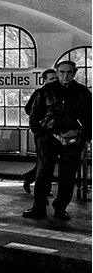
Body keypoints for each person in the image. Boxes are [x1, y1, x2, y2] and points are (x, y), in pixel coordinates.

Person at [23, 60, 91, 221]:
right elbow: (34, 113)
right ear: (57, 72)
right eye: (61, 72)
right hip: (47, 138)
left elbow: (89, 117)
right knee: (43, 173)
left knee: (67, 175)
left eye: (68, 72)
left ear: (74, 73)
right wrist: (39, 133)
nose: (65, 75)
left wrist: (85, 136)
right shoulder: (45, 91)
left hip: (72, 140)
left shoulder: (82, 93)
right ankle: (39, 207)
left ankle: (61, 207)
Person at [22, 69, 58, 193]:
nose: (55, 80)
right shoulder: (40, 93)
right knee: (45, 162)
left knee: (47, 162)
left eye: (56, 78)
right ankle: (44, 188)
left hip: (54, 132)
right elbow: (28, 109)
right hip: (44, 132)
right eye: (51, 78)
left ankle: (31, 178)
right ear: (45, 80)